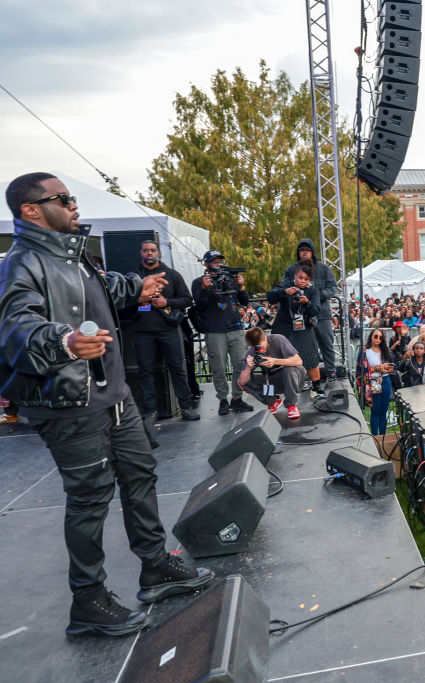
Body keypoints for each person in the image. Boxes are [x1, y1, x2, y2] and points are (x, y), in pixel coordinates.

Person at [0, 172, 213, 636]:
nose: (74, 205)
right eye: (62, 198)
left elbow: (97, 292)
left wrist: (138, 286)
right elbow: (16, 330)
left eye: (72, 197)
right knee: (90, 499)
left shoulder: (71, 253)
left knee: (140, 476)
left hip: (115, 396)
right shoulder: (22, 262)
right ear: (31, 210)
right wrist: (65, 341)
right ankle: (88, 601)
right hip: (72, 403)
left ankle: (155, 566)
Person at [125, 240, 198, 423]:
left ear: (159, 253)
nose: (149, 253)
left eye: (153, 250)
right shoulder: (133, 277)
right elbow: (121, 304)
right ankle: (150, 411)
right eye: (146, 250)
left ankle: (186, 407)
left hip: (169, 330)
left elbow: (187, 299)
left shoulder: (172, 275)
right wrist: (139, 300)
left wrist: (167, 302)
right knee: (145, 372)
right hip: (142, 331)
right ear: (140, 253)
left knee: (177, 369)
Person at [191, 249, 252, 416]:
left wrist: (241, 286)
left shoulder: (231, 279)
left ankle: (237, 399)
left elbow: (245, 301)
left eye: (220, 261)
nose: (219, 264)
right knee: (218, 367)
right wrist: (204, 288)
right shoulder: (199, 282)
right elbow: (199, 305)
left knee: (240, 364)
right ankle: (223, 399)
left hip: (235, 328)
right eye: (215, 261)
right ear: (206, 264)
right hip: (214, 331)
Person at [277, 238, 339, 381]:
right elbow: (283, 287)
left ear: (312, 252)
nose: (304, 253)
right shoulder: (291, 270)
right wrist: (291, 291)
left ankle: (332, 373)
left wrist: (317, 296)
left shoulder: (324, 269)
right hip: (300, 316)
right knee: (301, 347)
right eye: (301, 250)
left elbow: (332, 287)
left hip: (321, 313)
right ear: (298, 252)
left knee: (326, 343)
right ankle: (303, 377)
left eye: (307, 250)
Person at [267, 263, 323, 393]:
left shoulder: (313, 291)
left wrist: (307, 303)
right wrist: (284, 292)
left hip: (304, 328)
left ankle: (317, 386)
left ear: (309, 280)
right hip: (283, 328)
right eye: (300, 277)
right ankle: (273, 388)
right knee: (276, 356)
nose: (302, 281)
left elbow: (316, 310)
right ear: (295, 276)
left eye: (306, 279)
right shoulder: (286, 286)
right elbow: (270, 296)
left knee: (310, 356)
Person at [236, 326, 306, 418]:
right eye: (256, 349)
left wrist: (274, 361)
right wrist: (249, 367)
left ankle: (291, 405)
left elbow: (298, 361)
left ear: (265, 338)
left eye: (261, 347)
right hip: (271, 381)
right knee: (241, 382)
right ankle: (273, 401)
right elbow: (242, 382)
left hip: (292, 379)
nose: (260, 351)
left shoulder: (278, 340)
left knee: (289, 369)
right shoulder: (251, 352)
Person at [359, 328, 395, 436]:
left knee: (383, 412)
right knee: (375, 412)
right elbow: (361, 369)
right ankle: (374, 437)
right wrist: (376, 368)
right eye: (376, 336)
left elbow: (393, 367)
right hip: (373, 382)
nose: (378, 339)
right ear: (371, 336)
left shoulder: (386, 350)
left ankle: (383, 437)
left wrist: (385, 368)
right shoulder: (366, 351)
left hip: (386, 380)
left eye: (380, 337)